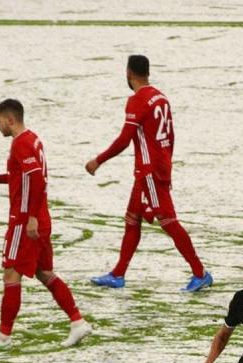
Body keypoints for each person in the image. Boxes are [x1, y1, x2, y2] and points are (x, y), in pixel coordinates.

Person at [85, 55, 213, 292]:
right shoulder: (161, 97)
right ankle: (118, 274)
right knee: (132, 219)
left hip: (149, 171)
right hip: (156, 167)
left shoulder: (137, 100)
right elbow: (170, 136)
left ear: (128, 72)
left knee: (168, 221)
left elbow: (125, 139)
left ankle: (200, 272)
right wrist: (167, 164)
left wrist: (98, 160)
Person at [0, 99, 91, 349]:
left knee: (11, 273)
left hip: (25, 221)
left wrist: (29, 217)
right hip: (41, 219)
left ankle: (3, 336)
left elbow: (37, 180)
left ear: (10, 120)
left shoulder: (21, 144)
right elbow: (25, 176)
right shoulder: (32, 139)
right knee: (44, 273)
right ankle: (77, 322)